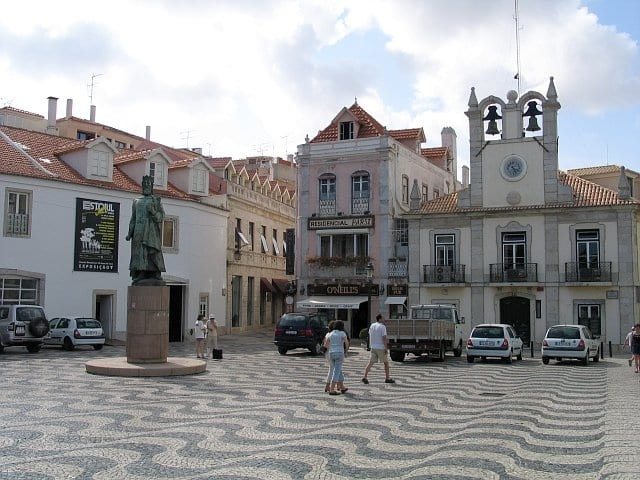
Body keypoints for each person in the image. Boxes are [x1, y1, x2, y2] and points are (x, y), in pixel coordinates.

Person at [125, 175, 166, 286]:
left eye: (149, 184)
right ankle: (141, 272)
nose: (147, 186)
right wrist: (129, 233)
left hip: (151, 231)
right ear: (142, 186)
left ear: (152, 186)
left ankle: (155, 272)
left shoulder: (155, 200)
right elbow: (133, 218)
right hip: (138, 231)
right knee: (139, 253)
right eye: (145, 184)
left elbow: (161, 217)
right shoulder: (136, 201)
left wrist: (153, 211)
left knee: (152, 252)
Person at [362, 313, 395, 384]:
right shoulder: (382, 327)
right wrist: (386, 348)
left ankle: (365, 377)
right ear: (380, 319)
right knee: (386, 363)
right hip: (380, 347)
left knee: (370, 363)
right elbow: (384, 338)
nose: (384, 319)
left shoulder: (372, 325)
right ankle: (387, 378)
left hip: (373, 346)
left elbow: (370, 334)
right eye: (383, 318)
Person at [322, 320, 349, 395]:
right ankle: (332, 389)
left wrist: (324, 350)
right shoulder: (342, 333)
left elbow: (326, 344)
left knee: (338, 369)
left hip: (331, 353)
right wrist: (346, 351)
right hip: (339, 353)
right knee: (336, 371)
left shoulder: (330, 334)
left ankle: (342, 387)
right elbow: (346, 343)